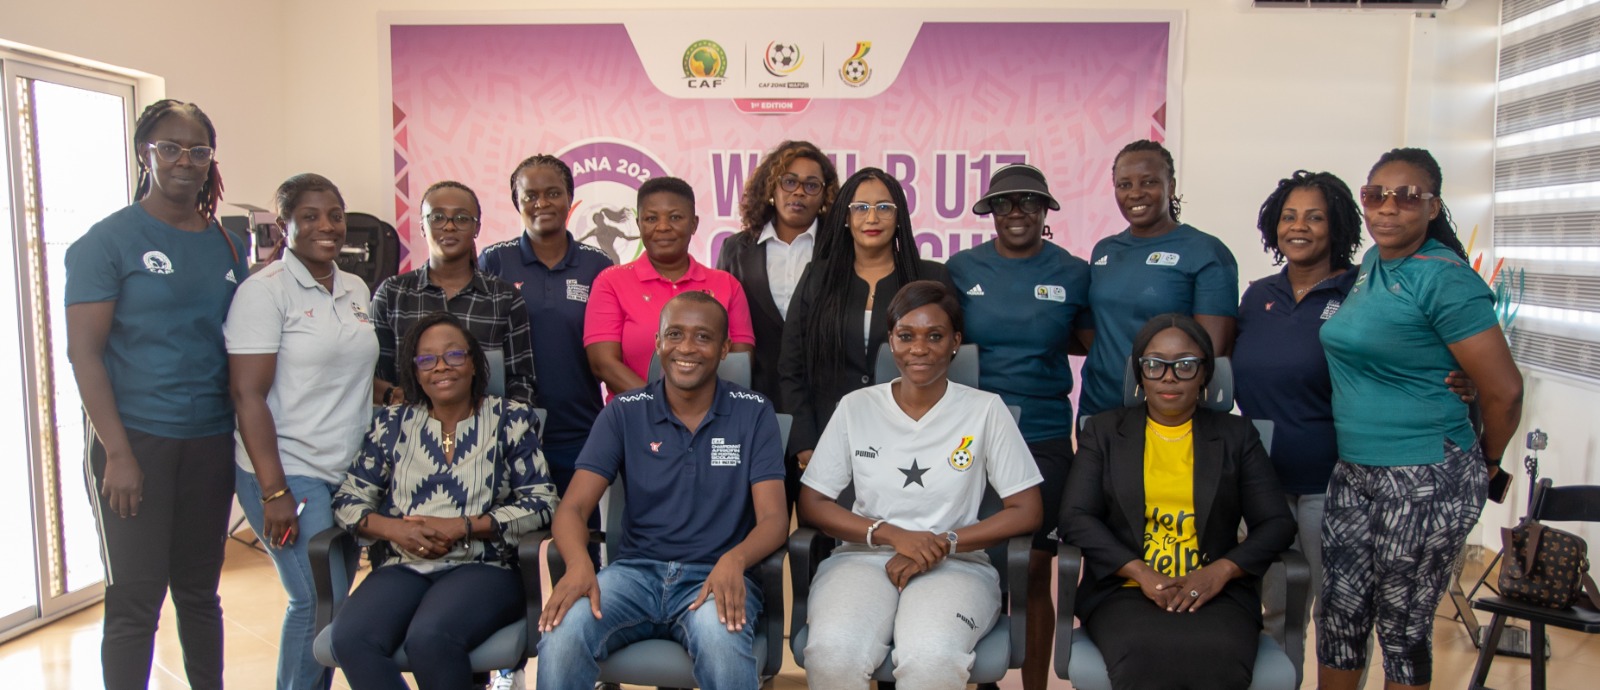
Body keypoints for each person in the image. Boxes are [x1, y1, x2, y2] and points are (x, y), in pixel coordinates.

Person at [1316, 148, 1523, 690]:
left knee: (1402, 629)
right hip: (1355, 470)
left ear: (1433, 207)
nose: (1388, 207)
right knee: (1337, 615)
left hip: (1425, 475)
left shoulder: (1444, 279)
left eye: (1408, 197)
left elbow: (1504, 390)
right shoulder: (1372, 268)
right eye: (1375, 195)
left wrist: (1489, 460)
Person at [64, 99, 248, 690]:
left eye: (198, 151)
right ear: (146, 154)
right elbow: (83, 354)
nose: (184, 161)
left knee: (199, 593)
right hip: (135, 443)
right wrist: (116, 453)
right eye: (169, 148)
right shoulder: (106, 242)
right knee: (135, 600)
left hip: (208, 441)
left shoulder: (224, 243)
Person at [797, 280, 1044, 689]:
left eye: (935, 336)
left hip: (958, 564)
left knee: (932, 660)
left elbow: (1028, 509)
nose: (919, 348)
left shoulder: (985, 411)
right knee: (832, 654)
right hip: (863, 558)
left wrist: (942, 542)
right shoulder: (856, 407)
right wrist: (891, 534)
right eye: (906, 336)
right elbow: (813, 502)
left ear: (955, 342)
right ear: (890, 341)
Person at [537, 292, 788, 690]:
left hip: (713, 577)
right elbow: (572, 508)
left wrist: (734, 560)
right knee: (563, 634)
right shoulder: (624, 411)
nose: (686, 348)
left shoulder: (753, 412)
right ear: (657, 343)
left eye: (703, 337)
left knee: (721, 645)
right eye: (674, 334)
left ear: (725, 349)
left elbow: (775, 519)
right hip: (634, 575)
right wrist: (579, 564)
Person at [1061, 314, 1296, 690]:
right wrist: (1142, 573)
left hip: (1215, 593)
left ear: (1204, 373)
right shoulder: (1104, 432)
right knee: (1142, 652)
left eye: (1185, 365)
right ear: (1140, 375)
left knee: (1218, 652)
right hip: (1125, 591)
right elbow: (1075, 516)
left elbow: (1277, 523)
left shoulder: (1237, 435)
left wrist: (1220, 571)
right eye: (1154, 365)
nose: (1169, 377)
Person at [329, 312, 556, 689]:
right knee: (351, 639)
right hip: (404, 564)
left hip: (486, 566)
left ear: (472, 363)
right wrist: (395, 529)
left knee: (430, 638)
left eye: (453, 355)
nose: (441, 367)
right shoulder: (393, 423)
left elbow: (543, 502)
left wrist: (464, 526)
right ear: (415, 372)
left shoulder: (510, 419)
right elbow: (348, 498)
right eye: (426, 359)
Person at [227, 173, 377, 690]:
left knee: (334, 600)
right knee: (318, 599)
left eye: (334, 215)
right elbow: (247, 395)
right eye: (309, 217)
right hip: (288, 470)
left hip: (347, 469)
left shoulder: (355, 286)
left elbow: (349, 371)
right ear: (285, 225)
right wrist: (274, 490)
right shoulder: (263, 293)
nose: (326, 226)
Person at [946, 163, 1089, 690]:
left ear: (1046, 210)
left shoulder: (1074, 272)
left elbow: (1090, 339)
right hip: (971, 435)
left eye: (1029, 202)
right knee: (977, 562)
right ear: (990, 213)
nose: (1016, 213)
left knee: (1032, 569)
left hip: (1044, 435)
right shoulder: (960, 269)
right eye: (1004, 203)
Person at [780, 168, 956, 477]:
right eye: (860, 207)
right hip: (829, 437)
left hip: (914, 441)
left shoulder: (932, 278)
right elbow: (791, 367)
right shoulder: (816, 278)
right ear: (845, 217)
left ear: (899, 216)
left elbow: (950, 359)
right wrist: (805, 442)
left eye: (883, 208)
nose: (871, 218)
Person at [479, 155, 613, 497]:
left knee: (578, 536)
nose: (542, 203)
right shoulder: (495, 260)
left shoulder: (597, 264)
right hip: (507, 429)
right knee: (515, 539)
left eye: (553, 193)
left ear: (570, 197)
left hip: (580, 428)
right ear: (516, 203)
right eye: (530, 196)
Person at [1078, 140, 1239, 419]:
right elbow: (1102, 332)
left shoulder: (1205, 251)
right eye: (1124, 185)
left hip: (1169, 415)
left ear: (1171, 187)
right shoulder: (1105, 250)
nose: (1135, 194)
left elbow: (1213, 351)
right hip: (1099, 408)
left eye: (1148, 182)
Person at [370, 181, 536, 406]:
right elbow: (376, 377)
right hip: (409, 432)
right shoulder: (392, 294)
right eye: (437, 217)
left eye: (461, 218)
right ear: (422, 226)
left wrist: (510, 430)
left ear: (476, 228)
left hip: (488, 433)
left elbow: (521, 382)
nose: (449, 227)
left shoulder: (505, 298)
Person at [717, 140, 840, 401]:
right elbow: (721, 324)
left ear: (824, 196)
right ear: (771, 187)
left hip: (823, 395)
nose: (799, 192)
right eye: (789, 181)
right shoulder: (735, 249)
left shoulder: (841, 250)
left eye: (811, 185)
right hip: (752, 393)